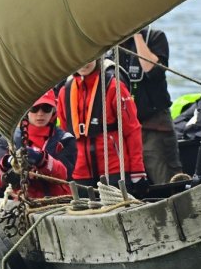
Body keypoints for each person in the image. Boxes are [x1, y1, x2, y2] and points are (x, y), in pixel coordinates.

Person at [56, 58, 148, 195]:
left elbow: (132, 130)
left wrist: (137, 171)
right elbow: (64, 136)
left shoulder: (113, 87)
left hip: (114, 169)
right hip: (79, 173)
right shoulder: (65, 92)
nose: (84, 62)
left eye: (89, 57)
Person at [117, 27, 184, 184]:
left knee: (165, 179)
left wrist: (137, 37)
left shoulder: (155, 37)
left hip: (154, 126)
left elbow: (152, 70)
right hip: (126, 129)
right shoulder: (113, 44)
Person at [0, 90, 77, 199]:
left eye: (46, 108)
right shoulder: (8, 140)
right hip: (21, 202)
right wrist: (7, 162)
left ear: (54, 110)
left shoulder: (65, 140)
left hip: (56, 203)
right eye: (34, 108)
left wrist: (41, 159)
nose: (40, 113)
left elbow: (65, 174)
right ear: (25, 110)